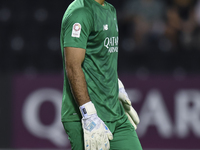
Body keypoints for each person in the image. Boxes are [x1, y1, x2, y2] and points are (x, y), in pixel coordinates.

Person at [60, 0, 143, 149]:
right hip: (85, 117)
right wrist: (88, 114)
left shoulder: (110, 9)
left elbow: (101, 57)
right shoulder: (80, 12)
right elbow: (72, 66)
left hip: (115, 114)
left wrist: (115, 85)